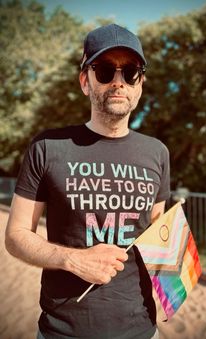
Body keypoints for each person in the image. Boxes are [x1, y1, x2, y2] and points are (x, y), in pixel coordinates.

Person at [5, 24, 170, 339]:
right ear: (85, 81)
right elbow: (15, 235)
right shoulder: (47, 147)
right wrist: (72, 259)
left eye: (131, 72)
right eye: (105, 70)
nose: (118, 82)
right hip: (62, 331)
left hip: (142, 330)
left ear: (141, 84)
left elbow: (158, 231)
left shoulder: (158, 152)